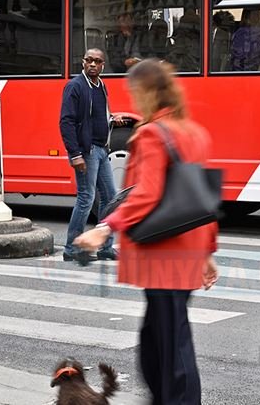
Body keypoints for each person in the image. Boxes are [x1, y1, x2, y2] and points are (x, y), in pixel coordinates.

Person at [75, 59, 218, 404]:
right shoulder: (193, 131)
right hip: (185, 251)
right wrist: (207, 252)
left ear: (149, 92)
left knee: (170, 347)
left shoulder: (154, 133)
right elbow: (204, 198)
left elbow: (147, 193)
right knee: (158, 343)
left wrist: (105, 227)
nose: (135, 101)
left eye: (136, 93)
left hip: (164, 254)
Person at [59, 48, 123, 262]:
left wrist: (112, 119)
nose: (93, 64)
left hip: (102, 149)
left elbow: (96, 115)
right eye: (89, 60)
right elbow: (66, 122)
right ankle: (71, 249)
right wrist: (75, 154)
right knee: (86, 198)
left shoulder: (101, 85)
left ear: (103, 65)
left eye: (97, 61)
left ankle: (106, 247)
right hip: (86, 151)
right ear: (83, 62)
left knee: (110, 199)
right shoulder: (75, 86)